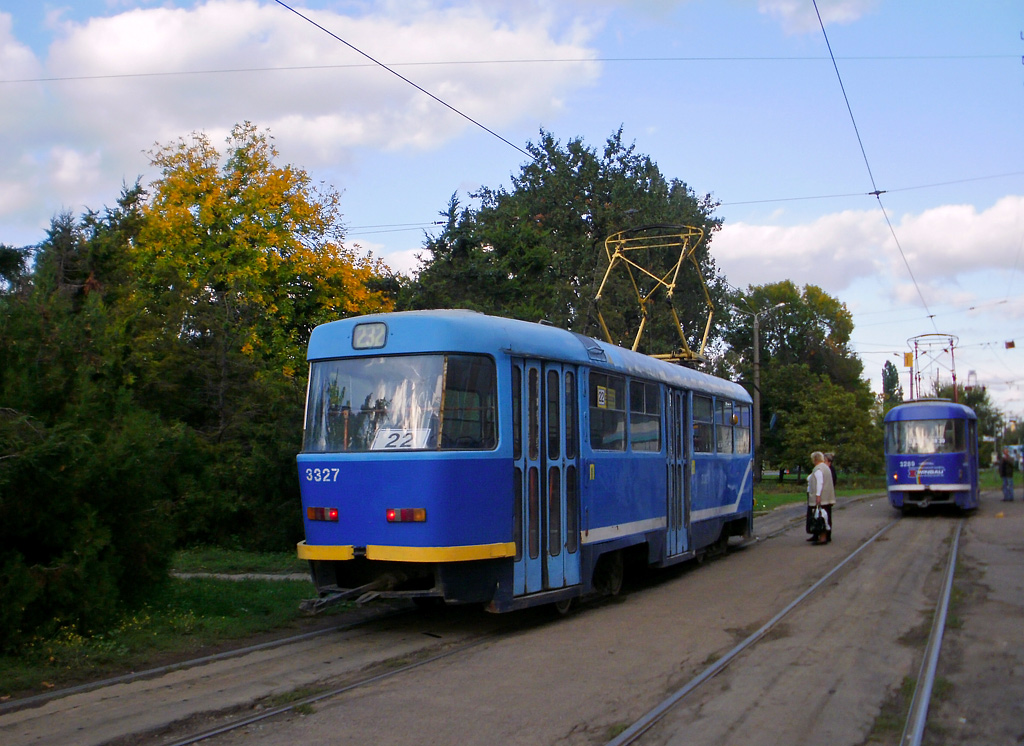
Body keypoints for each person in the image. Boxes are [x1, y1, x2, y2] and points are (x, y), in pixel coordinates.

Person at [807, 451, 835, 545]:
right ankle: (826, 536)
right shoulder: (826, 468)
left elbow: (820, 482)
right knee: (826, 516)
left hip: (822, 498)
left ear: (815, 459)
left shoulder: (818, 469)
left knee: (821, 517)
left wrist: (818, 495)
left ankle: (822, 538)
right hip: (827, 497)